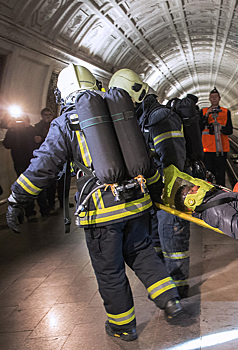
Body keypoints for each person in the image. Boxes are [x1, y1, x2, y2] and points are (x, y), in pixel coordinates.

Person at [6, 64, 183, 342]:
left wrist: (17, 198)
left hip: (100, 212)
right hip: (137, 203)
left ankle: (123, 327)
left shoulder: (64, 123)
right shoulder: (118, 110)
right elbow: (143, 154)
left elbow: (44, 166)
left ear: (62, 92)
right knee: (143, 252)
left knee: (110, 271)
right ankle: (171, 299)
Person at [109, 68, 197, 298]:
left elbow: (172, 159)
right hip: (153, 190)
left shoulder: (160, 117)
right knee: (156, 238)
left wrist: (156, 180)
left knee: (173, 238)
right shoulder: (141, 116)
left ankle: (179, 285)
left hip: (171, 188)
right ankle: (166, 285)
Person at [3, 113, 39, 218]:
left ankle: (43, 208)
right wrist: (11, 130)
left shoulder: (31, 129)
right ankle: (29, 212)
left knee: (37, 185)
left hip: (32, 161)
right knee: (25, 187)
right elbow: (7, 144)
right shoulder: (12, 131)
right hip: (20, 162)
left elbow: (39, 139)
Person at [199, 87, 233, 186]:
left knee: (220, 174)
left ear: (219, 98)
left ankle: (221, 194)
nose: (214, 99)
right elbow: (199, 127)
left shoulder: (226, 112)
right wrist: (207, 115)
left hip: (221, 149)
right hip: (207, 149)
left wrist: (220, 128)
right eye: (212, 97)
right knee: (208, 174)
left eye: (216, 97)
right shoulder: (203, 111)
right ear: (209, 99)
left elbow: (229, 131)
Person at [34, 107, 57, 213]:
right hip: (43, 158)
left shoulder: (56, 125)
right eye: (46, 115)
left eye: (50, 115)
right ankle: (44, 207)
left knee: (52, 184)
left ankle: (51, 205)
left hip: (54, 158)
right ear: (42, 116)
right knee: (42, 185)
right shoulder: (37, 128)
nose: (48, 117)